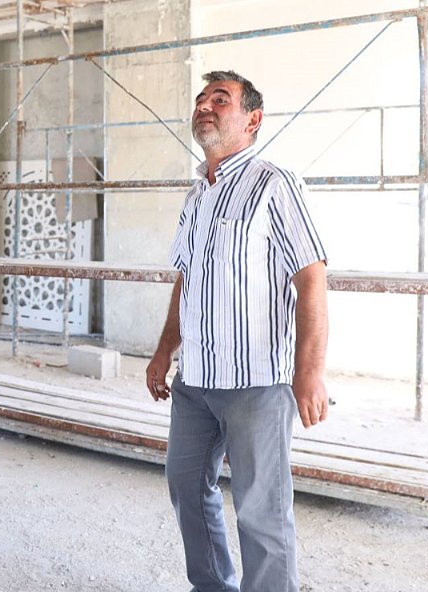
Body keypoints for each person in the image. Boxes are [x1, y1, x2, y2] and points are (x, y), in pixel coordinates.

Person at [146, 70, 329, 592]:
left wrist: (309, 372)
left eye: (220, 99)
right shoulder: (195, 197)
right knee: (185, 483)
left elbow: (312, 278)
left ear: (252, 119)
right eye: (201, 98)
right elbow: (187, 280)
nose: (205, 106)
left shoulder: (274, 185)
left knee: (260, 510)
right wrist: (164, 351)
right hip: (196, 379)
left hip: (256, 381)